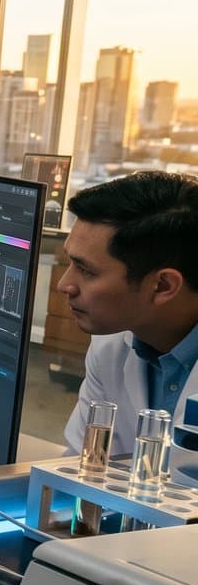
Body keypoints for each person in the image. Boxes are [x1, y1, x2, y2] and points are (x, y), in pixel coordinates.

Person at [59, 171, 198, 458]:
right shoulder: (110, 345)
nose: (65, 285)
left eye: (86, 270)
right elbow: (81, 467)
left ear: (163, 285)